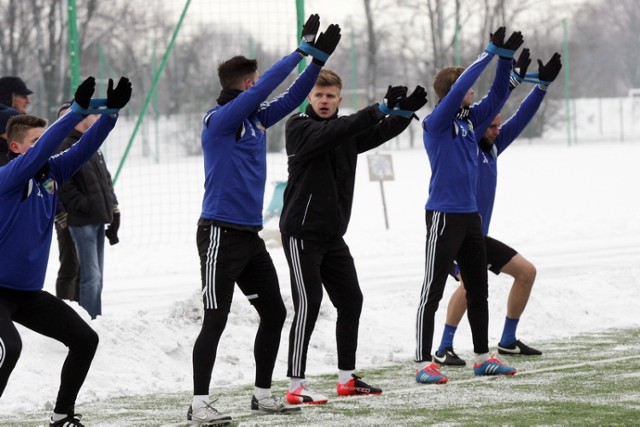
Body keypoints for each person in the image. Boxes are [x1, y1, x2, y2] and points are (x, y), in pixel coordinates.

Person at [189, 15, 341, 425]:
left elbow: (292, 98)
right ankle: (199, 404)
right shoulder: (217, 121)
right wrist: (300, 52)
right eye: (255, 81)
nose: (259, 86)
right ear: (247, 85)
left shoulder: (255, 120)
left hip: (248, 236)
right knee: (216, 318)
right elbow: (274, 86)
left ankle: (262, 394)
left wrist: (315, 62)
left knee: (274, 313)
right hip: (219, 232)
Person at [279, 69, 427, 404]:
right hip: (301, 234)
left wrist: (402, 113)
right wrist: (379, 107)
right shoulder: (298, 126)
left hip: (332, 236)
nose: (325, 101)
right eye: (319, 95)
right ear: (309, 98)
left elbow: (373, 133)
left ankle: (346, 379)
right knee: (308, 304)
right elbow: (341, 129)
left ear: (339, 99)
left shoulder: (341, 129)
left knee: (351, 300)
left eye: (330, 96)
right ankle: (294, 385)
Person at [0, 76, 132, 427]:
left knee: (85, 339)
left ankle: (61, 417)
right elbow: (47, 149)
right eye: (36, 141)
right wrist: (74, 112)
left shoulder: (51, 174)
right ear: (16, 148)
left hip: (26, 294)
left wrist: (111, 114)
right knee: (9, 349)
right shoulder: (9, 177)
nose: (45, 147)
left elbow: (84, 148)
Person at [434, 52, 563, 366]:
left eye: (497, 126)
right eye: (491, 125)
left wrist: (542, 87)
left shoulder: (492, 148)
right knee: (471, 284)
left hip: (479, 237)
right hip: (456, 234)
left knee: (526, 272)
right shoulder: (465, 142)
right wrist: (508, 78)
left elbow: (519, 119)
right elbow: (487, 107)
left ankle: (507, 340)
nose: (497, 129)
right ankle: (443, 348)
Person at [415, 27, 523, 385]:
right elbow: (466, 88)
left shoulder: (469, 123)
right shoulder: (437, 122)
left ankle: (482, 357)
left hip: (469, 217)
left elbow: (496, 97)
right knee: (431, 290)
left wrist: (505, 59)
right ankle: (422, 363)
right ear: (454, 91)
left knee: (479, 287)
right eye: (465, 87)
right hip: (443, 215)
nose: (473, 93)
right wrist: (489, 53)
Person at [55, 103, 120, 316]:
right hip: (81, 220)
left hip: (97, 217)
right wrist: (83, 205)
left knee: (96, 275)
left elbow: (105, 180)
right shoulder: (65, 145)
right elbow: (62, 184)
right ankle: (87, 321)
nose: (93, 118)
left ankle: (94, 318)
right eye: (90, 114)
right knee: (87, 275)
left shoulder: (91, 144)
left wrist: (113, 208)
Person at [53, 102, 80, 302]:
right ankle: (65, 306)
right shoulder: (54, 147)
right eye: (62, 118)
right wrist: (61, 213)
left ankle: (80, 308)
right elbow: (54, 186)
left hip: (83, 216)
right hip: (66, 217)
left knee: (82, 266)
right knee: (69, 265)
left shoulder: (83, 144)